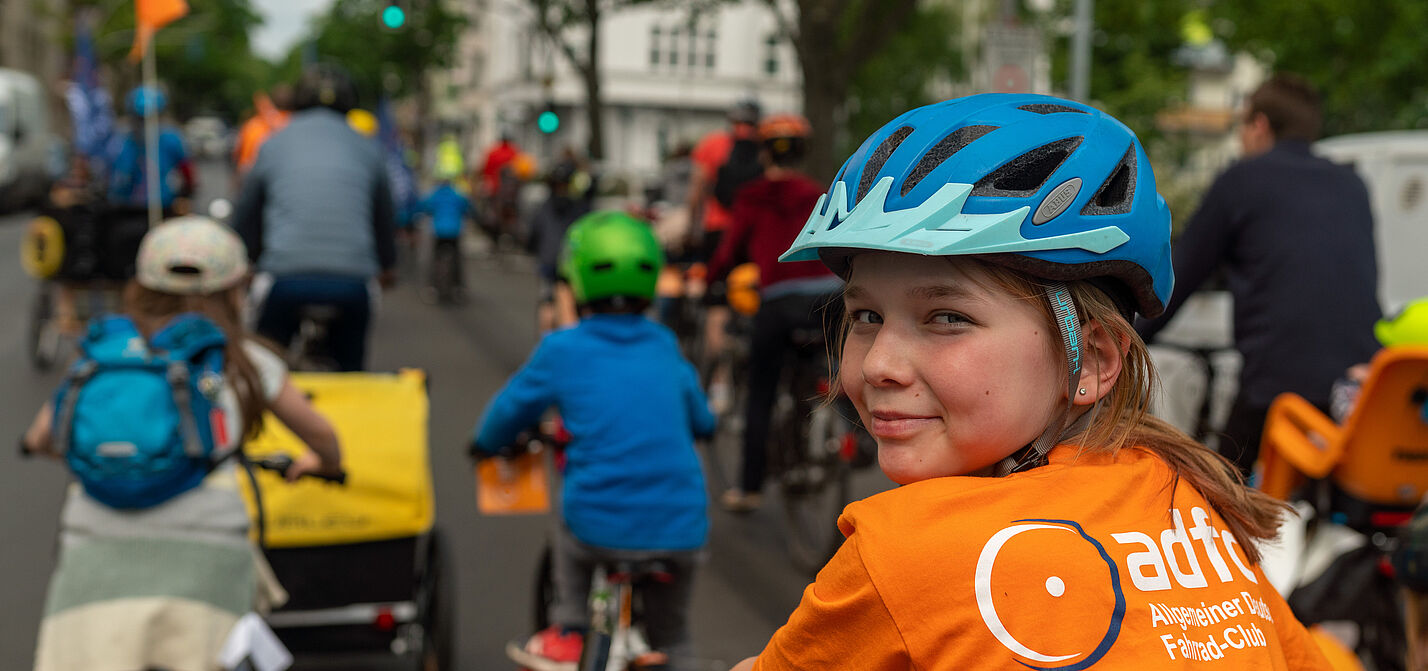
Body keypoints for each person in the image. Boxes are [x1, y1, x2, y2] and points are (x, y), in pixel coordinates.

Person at [731, 94, 1332, 670]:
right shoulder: (1191, 507)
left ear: (1093, 359)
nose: (877, 364)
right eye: (866, 317)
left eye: (947, 318)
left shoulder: (899, 551)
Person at [21, 215, 342, 671]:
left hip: (93, 556)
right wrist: (324, 463)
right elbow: (321, 434)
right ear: (235, 289)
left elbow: (42, 436)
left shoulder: (103, 354)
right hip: (208, 560)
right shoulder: (245, 360)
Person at [469, 211, 715, 671]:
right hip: (681, 530)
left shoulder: (561, 349)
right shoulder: (665, 344)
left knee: (568, 518)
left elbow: (508, 412)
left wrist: (484, 443)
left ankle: (568, 628)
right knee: (675, 636)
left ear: (577, 282)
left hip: (598, 531)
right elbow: (702, 420)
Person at [1136, 73, 1382, 478]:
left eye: (1242, 126)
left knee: (1218, 494)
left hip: (1277, 389)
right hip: (1359, 390)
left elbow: (1176, 280)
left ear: (1260, 125)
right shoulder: (1352, 184)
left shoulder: (1242, 180)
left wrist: (1125, 342)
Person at [706, 113, 843, 512]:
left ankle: (748, 488)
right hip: (828, 297)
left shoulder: (752, 196)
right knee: (826, 367)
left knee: (761, 394)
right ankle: (849, 436)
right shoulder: (818, 193)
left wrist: (712, 279)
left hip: (780, 300)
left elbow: (731, 250)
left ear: (764, 152)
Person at [231, 63, 398, 372]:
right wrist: (387, 266)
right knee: (352, 370)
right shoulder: (369, 148)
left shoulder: (273, 144)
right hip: (353, 283)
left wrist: (245, 260)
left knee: (266, 368)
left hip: (283, 278)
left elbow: (248, 212)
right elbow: (384, 217)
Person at [527, 161, 595, 332]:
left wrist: (532, 248)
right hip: (571, 262)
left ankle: (547, 340)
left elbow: (534, 233)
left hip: (548, 259)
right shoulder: (581, 207)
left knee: (547, 303)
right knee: (569, 306)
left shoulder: (544, 206)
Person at [107, 85, 194, 212]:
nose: (145, 124)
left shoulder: (171, 139)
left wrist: (185, 196)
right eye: (140, 118)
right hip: (124, 208)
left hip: (162, 206)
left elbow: (187, 173)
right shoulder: (120, 140)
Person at [414, 164, 477, 303]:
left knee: (434, 258)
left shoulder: (435, 194)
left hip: (439, 232)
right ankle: (459, 288)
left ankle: (432, 287)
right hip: (455, 231)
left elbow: (422, 206)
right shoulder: (458, 195)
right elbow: (470, 208)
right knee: (458, 259)